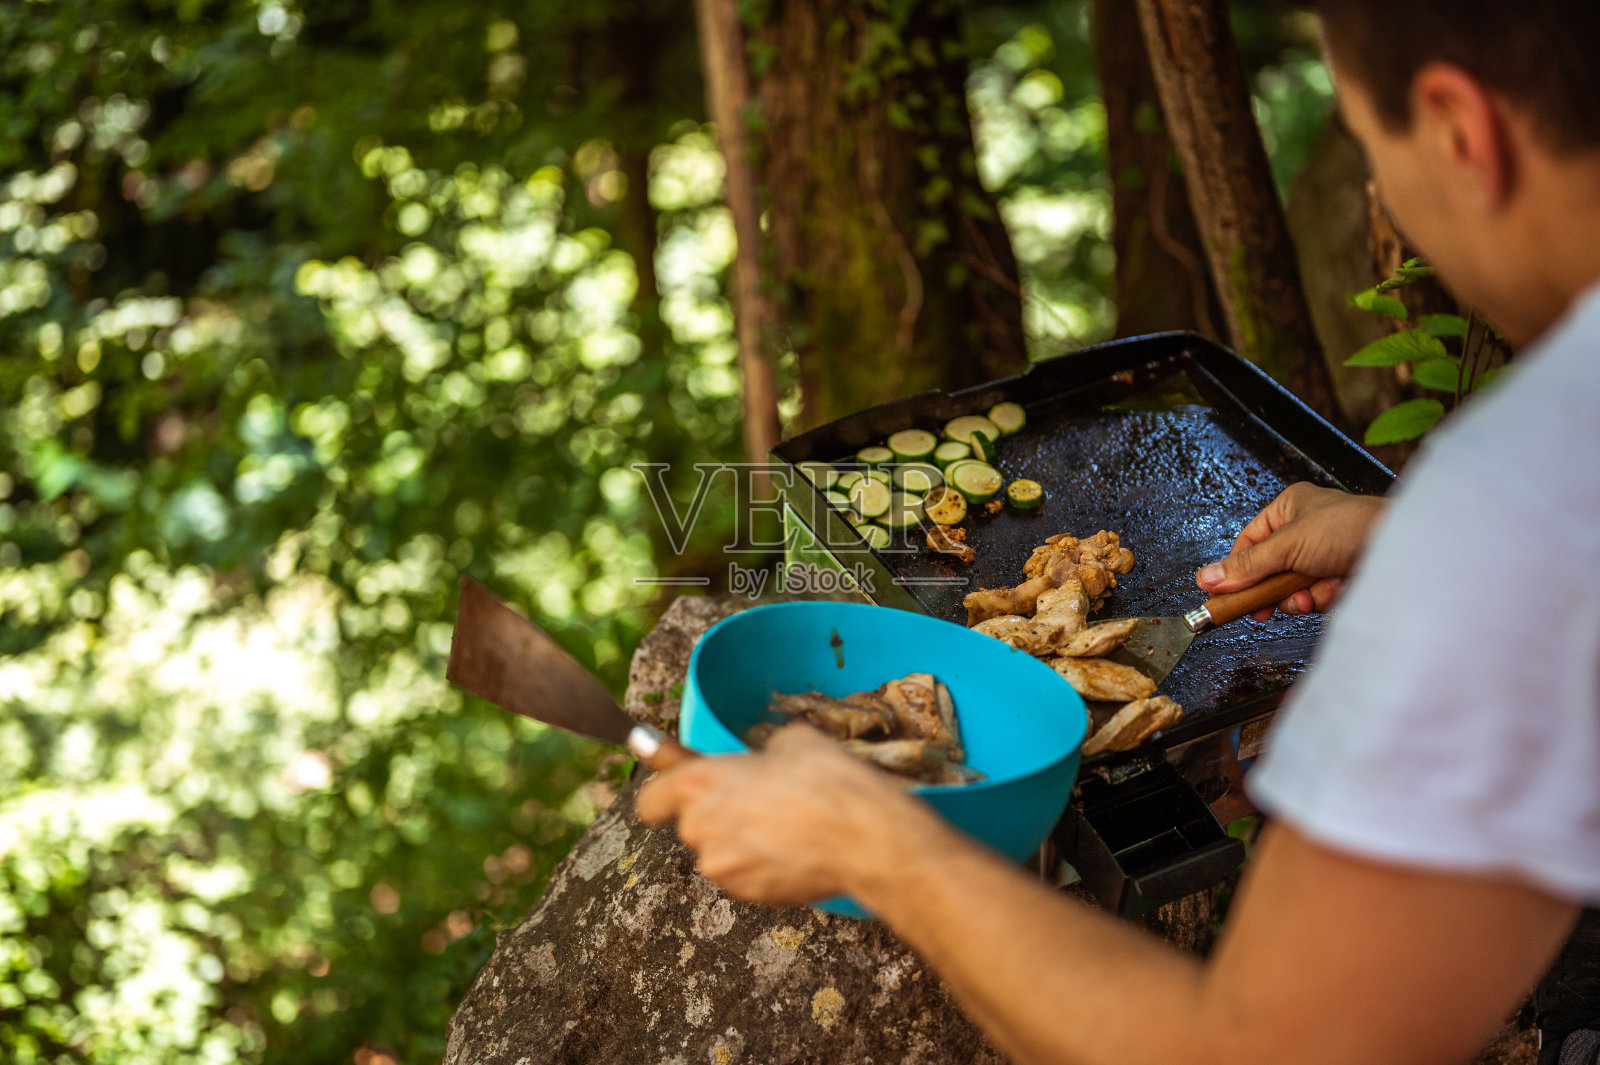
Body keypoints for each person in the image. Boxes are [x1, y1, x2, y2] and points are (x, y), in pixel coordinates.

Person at [637, 1, 1600, 1061]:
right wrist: (1413, 534)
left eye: (1374, 152)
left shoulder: (1532, 489)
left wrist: (884, 847)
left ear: (1461, 132)